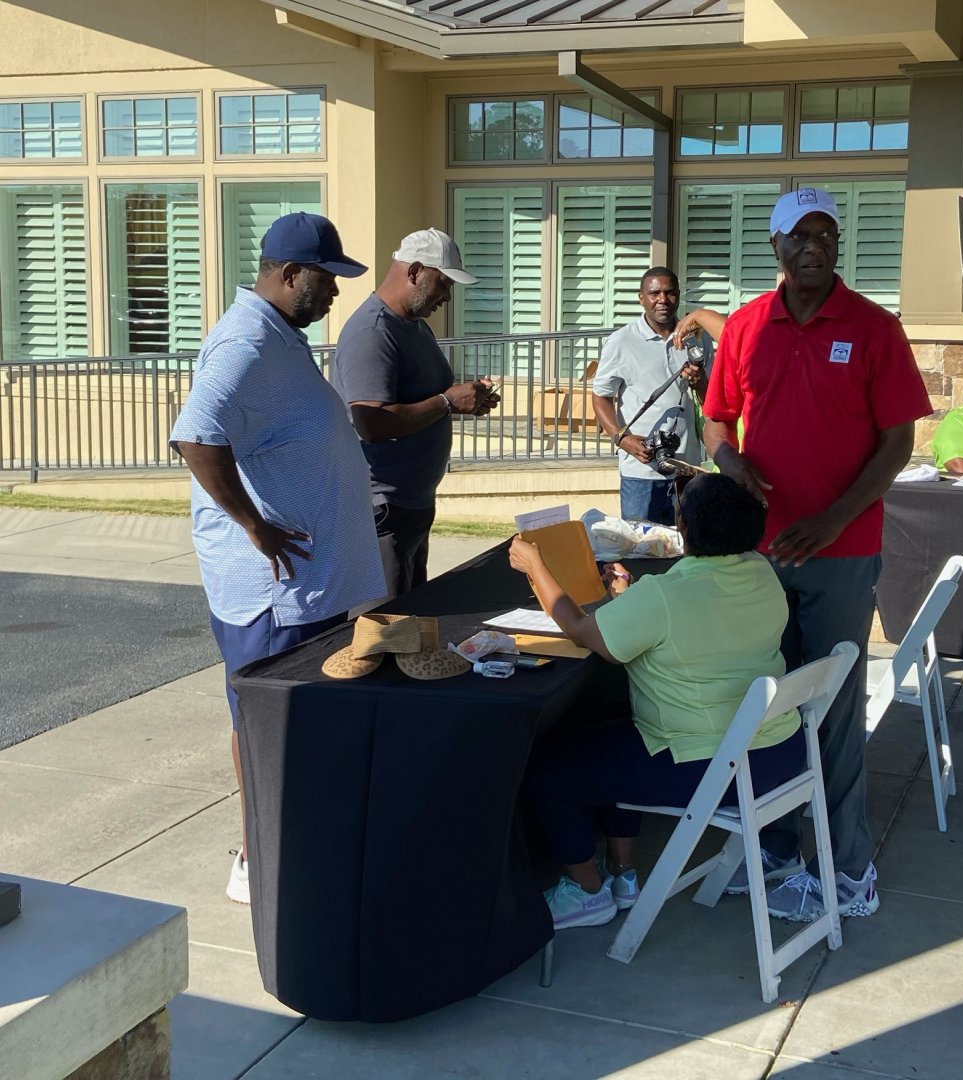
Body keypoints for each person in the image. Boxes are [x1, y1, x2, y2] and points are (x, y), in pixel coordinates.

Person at [674, 186, 933, 923]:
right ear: (776, 247)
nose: (814, 245)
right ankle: (783, 845)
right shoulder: (750, 325)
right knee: (767, 704)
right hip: (761, 555)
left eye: (826, 234)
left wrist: (833, 518)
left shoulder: (875, 329)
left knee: (833, 708)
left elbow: (897, 441)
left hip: (842, 550)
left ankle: (847, 869)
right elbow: (718, 419)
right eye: (800, 234)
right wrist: (730, 465)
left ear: (837, 246)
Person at [170, 212, 386, 905]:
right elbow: (198, 435)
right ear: (289, 274)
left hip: (309, 586)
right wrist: (253, 526)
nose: (333, 295)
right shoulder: (244, 342)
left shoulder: (277, 336)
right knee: (266, 727)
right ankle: (255, 858)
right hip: (274, 592)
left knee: (298, 729)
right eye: (326, 281)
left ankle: (287, 843)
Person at [509, 474, 805, 929]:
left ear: (683, 526)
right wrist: (629, 602)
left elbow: (582, 631)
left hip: (711, 766)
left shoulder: (665, 595)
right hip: (780, 753)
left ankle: (586, 891)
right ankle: (623, 874)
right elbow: (699, 623)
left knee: (549, 767)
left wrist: (537, 568)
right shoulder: (763, 573)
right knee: (615, 737)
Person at [333, 227, 500, 598]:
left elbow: (424, 399)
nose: (448, 297)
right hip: (384, 508)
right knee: (383, 629)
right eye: (443, 284)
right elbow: (371, 422)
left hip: (411, 503)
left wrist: (466, 399)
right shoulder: (373, 332)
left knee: (411, 621)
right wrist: (447, 402)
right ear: (414, 272)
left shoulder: (411, 325)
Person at [591, 268, 711, 526]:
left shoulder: (699, 339)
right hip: (642, 471)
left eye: (670, 293)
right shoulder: (621, 341)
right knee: (641, 551)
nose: (663, 300)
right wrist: (621, 437)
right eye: (654, 293)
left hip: (688, 469)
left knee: (687, 554)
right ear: (641, 298)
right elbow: (601, 396)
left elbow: (711, 397)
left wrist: (700, 383)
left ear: (678, 296)